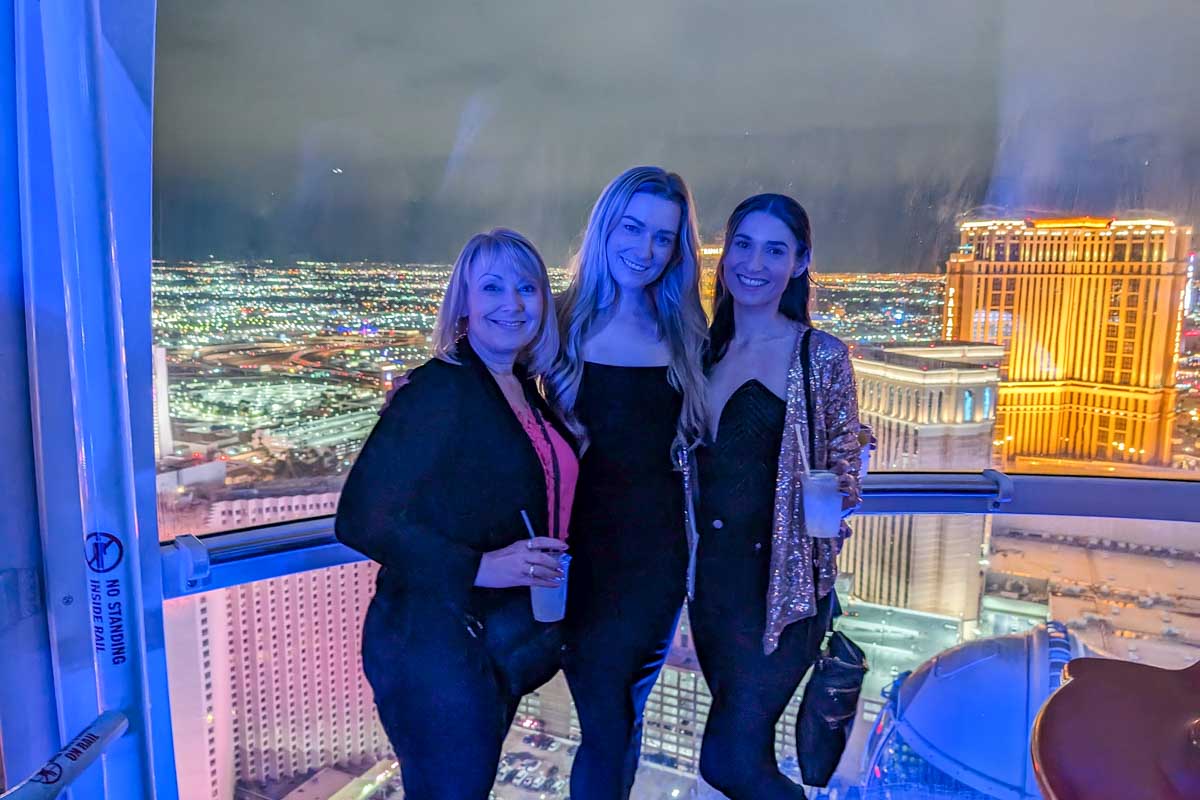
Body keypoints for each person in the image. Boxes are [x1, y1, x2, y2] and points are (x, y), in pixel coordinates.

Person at [335, 229, 580, 800]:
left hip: (486, 640)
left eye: (527, 288)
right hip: (431, 643)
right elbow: (360, 519)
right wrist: (479, 566)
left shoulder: (520, 386)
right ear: (463, 304)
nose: (512, 303)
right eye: (491, 287)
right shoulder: (439, 388)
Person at [688, 194, 863, 799]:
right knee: (750, 759)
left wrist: (830, 503)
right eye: (742, 244)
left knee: (727, 764)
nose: (754, 262)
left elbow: (846, 467)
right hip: (709, 592)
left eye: (775, 249)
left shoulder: (820, 356)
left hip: (782, 595)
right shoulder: (702, 350)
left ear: (800, 261)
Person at [544, 165, 709, 800]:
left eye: (662, 238)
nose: (644, 251)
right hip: (569, 559)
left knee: (620, 723)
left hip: (655, 565)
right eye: (631, 228)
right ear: (604, 226)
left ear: (677, 250)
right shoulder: (553, 323)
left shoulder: (689, 335)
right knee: (605, 724)